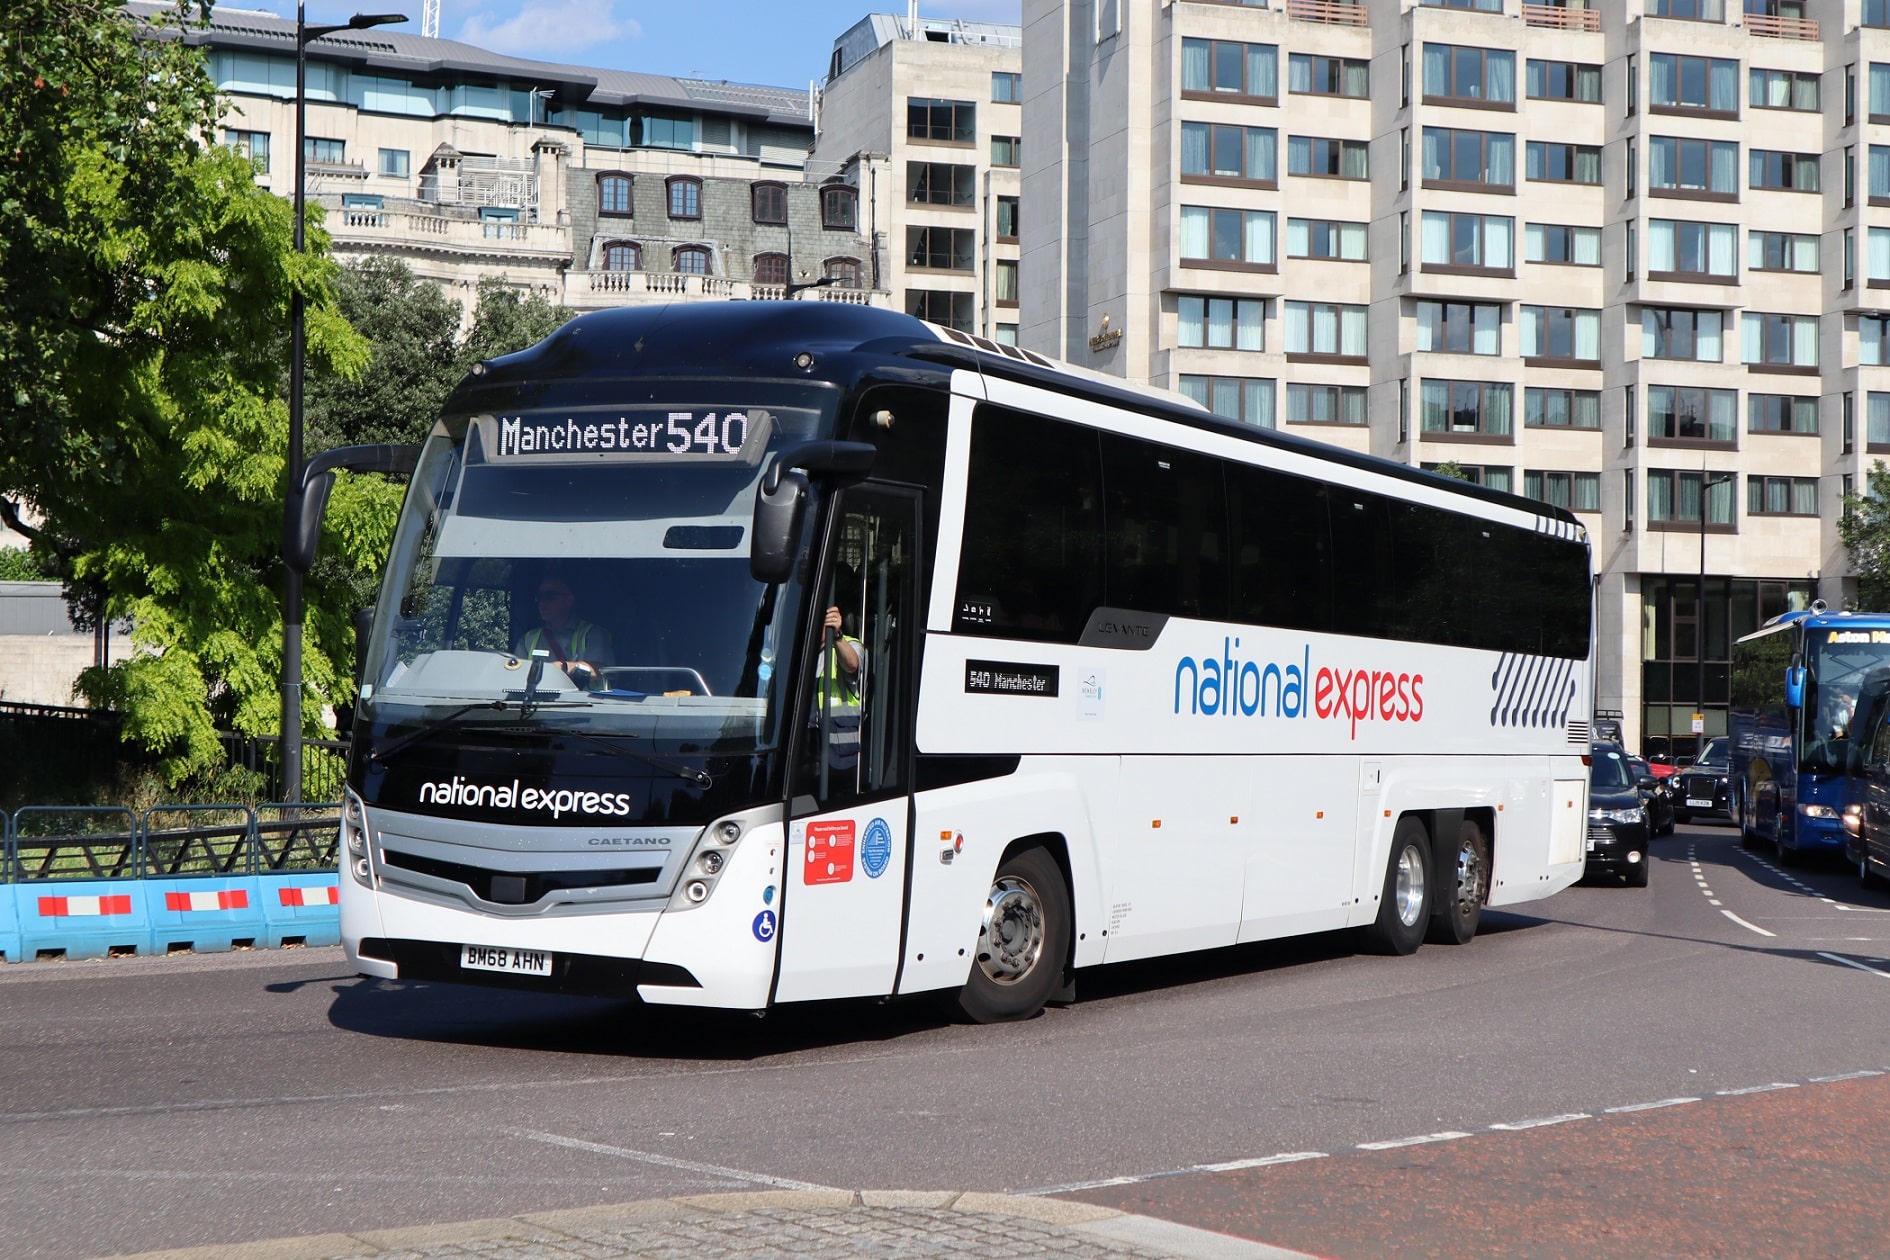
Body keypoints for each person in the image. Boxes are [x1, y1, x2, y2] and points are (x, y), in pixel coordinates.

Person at [515, 569, 613, 689]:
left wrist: (563, 667)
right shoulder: (528, 639)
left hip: (582, 705)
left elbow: (601, 670)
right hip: (535, 704)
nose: (542, 603)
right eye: (539, 596)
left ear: (569, 600)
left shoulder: (592, 634)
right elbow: (516, 674)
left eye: (549, 596)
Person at [813, 604, 865, 774]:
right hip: (808, 745)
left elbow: (852, 665)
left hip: (840, 754)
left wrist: (837, 636)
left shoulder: (849, 644)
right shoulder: (804, 650)